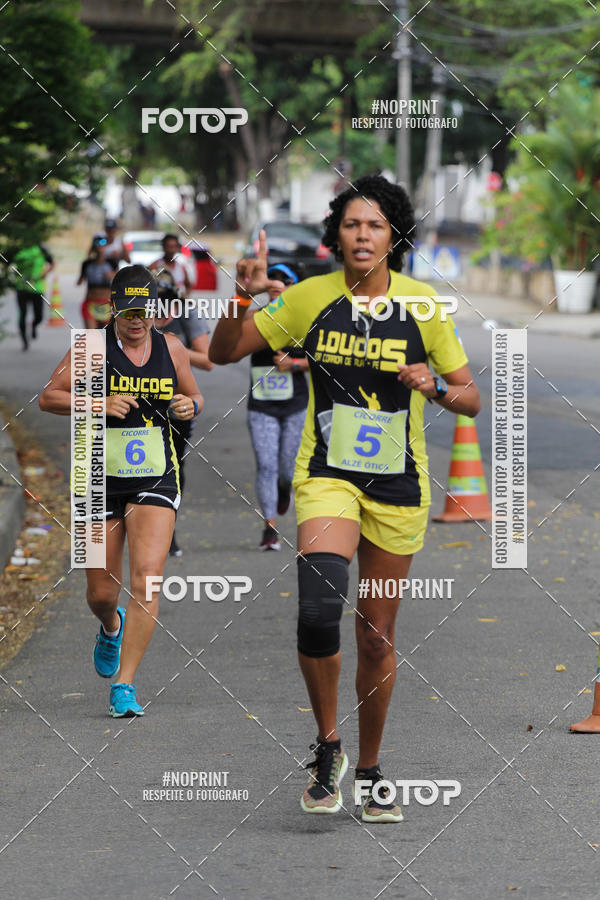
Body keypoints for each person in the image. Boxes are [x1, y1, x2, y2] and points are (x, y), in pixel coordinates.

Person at [209, 173, 480, 822]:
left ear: (394, 238)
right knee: (317, 609)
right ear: (337, 234)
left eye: (376, 225)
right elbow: (224, 354)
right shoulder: (307, 300)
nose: (363, 235)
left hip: (399, 486)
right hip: (328, 476)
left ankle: (372, 766)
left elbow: (469, 395)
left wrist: (434, 387)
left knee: (377, 638)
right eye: (353, 224)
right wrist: (241, 298)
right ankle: (328, 745)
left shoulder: (423, 307)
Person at [39, 265, 203, 717]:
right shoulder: (91, 348)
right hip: (96, 477)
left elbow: (194, 395)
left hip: (155, 473)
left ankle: (125, 685)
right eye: (127, 311)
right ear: (111, 308)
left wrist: (191, 405)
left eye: (144, 310)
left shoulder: (170, 347)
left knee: (147, 577)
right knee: (101, 592)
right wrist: (97, 403)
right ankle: (111, 626)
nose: (136, 320)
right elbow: (48, 397)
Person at [245, 263, 309, 551]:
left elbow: (326, 360)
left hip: (296, 405)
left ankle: (284, 488)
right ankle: (269, 528)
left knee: (287, 470)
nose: (279, 284)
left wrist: (294, 364)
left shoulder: (306, 322)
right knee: (267, 465)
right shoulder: (255, 319)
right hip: (262, 407)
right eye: (273, 280)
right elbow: (228, 342)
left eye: (286, 280)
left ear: (295, 288)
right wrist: (241, 294)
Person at [154, 272, 214, 557]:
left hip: (178, 406)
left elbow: (208, 361)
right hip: (140, 405)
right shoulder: (135, 318)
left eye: (167, 304)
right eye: (155, 304)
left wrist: (174, 349)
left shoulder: (189, 316)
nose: (160, 312)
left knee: (175, 468)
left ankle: (169, 529)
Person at [12, 244, 54, 350]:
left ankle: (34, 325)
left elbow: (52, 263)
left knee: (39, 316)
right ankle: (24, 341)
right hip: (21, 288)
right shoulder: (18, 249)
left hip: (37, 289)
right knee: (22, 314)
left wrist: (44, 274)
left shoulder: (41, 250)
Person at [78, 233, 115, 328]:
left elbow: (119, 278)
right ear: (93, 245)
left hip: (106, 305)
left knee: (107, 337)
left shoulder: (112, 262)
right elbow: (79, 282)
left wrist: (111, 275)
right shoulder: (87, 264)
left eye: (103, 242)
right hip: (91, 304)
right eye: (97, 242)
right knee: (92, 336)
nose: (100, 245)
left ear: (106, 245)